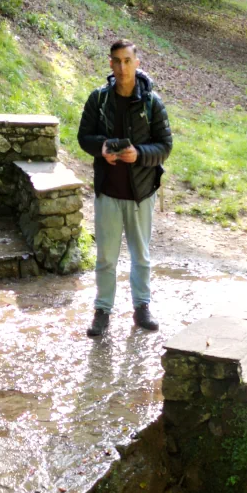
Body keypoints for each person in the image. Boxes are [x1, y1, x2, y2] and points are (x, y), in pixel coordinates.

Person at [77, 40, 173, 337]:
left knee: (140, 255)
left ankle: (142, 307)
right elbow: (84, 137)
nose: (122, 67)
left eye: (127, 61)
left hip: (141, 191)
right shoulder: (98, 99)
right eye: (117, 61)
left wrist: (140, 154)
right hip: (108, 190)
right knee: (106, 256)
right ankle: (102, 311)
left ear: (137, 62)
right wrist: (102, 146)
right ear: (110, 64)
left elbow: (165, 146)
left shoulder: (152, 102)